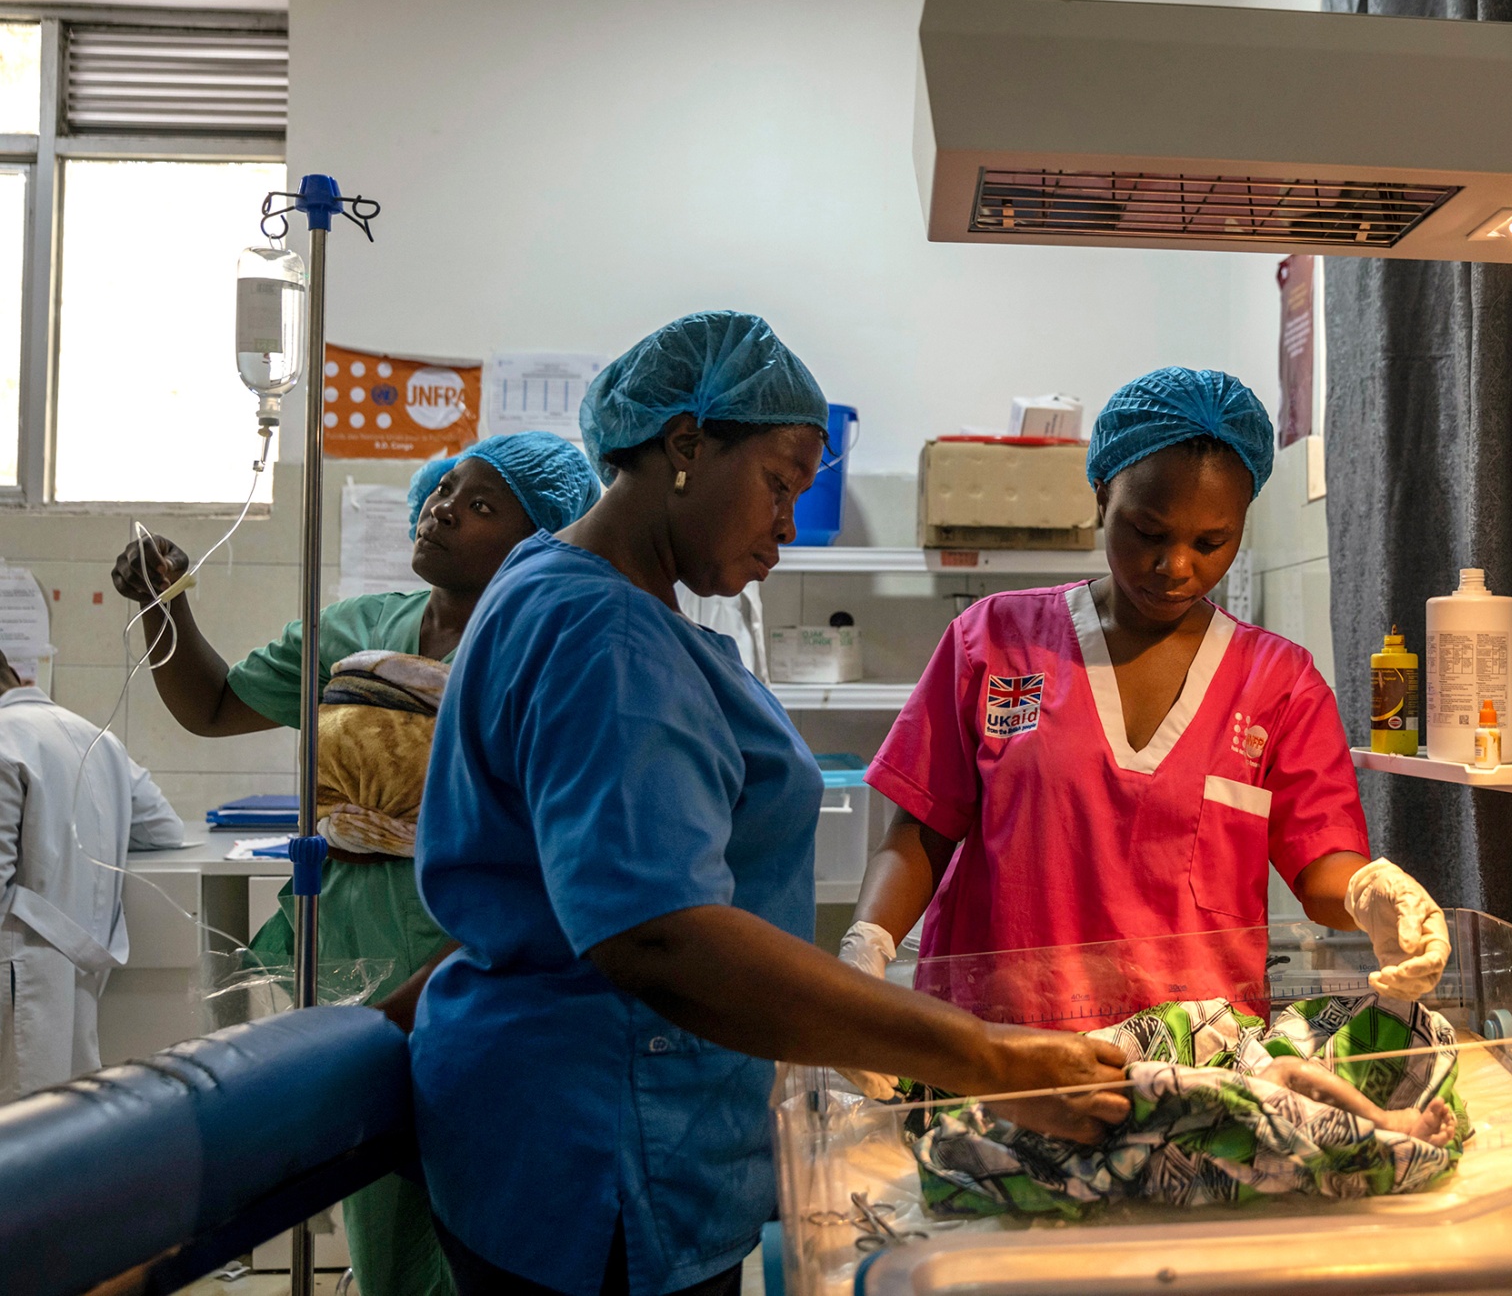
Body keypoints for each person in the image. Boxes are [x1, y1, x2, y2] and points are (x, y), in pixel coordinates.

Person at [410, 311, 1130, 1296]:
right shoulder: (601, 633)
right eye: (779, 484)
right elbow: (658, 935)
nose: (789, 525)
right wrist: (983, 1056)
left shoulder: (565, 591)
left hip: (570, 1117)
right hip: (604, 1145)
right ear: (682, 444)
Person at [109, 429, 600, 1296]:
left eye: (481, 505)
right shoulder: (361, 627)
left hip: (472, 947)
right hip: (341, 935)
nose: (444, 506)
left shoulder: (544, 645)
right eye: (449, 487)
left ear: (539, 540)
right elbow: (215, 706)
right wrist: (166, 607)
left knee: (471, 1194)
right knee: (371, 1198)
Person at [840, 368, 1451, 1021]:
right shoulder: (993, 641)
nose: (1176, 567)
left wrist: (1368, 893)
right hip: (1002, 1043)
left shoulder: (1279, 682)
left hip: (1195, 1059)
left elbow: (1319, 864)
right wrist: (867, 949)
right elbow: (921, 832)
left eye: (1211, 542)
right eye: (1148, 533)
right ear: (1102, 496)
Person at [0, 655, 185, 1101]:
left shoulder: (4, 739)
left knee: (20, 1131)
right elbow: (164, 829)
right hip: (77, 968)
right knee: (63, 1118)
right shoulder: (94, 736)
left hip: (17, 970)